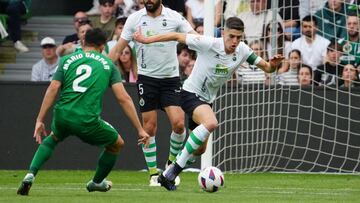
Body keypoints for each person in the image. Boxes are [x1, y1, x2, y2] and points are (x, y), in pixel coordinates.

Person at [133, 16, 284, 191]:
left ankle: (171, 170)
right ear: (223, 33)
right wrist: (146, 39)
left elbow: (267, 67)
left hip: (207, 101)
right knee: (211, 122)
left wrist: (273, 66)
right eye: (231, 36)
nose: (235, 41)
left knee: (199, 150)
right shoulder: (208, 43)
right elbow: (176, 36)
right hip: (189, 94)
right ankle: (170, 173)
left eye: (238, 37)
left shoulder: (243, 50)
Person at [17, 28, 150, 196]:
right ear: (102, 46)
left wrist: (39, 119)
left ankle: (30, 174)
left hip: (62, 115)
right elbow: (124, 98)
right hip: (87, 120)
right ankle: (96, 182)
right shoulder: (107, 64)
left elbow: (53, 88)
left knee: (53, 138)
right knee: (117, 144)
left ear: (84, 42)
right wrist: (140, 129)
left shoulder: (66, 60)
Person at [109, 0, 195, 187]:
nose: (146, 0)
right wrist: (101, 70)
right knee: (149, 128)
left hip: (171, 79)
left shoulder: (174, 17)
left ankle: (170, 165)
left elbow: (194, 37)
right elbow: (117, 49)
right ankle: (154, 174)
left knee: (179, 124)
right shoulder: (134, 19)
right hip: (146, 79)